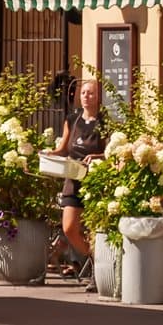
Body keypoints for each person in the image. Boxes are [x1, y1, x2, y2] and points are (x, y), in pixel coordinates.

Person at [56, 77, 108, 266]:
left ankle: (100, 269)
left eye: (91, 93)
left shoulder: (105, 122)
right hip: (73, 179)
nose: (86, 96)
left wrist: (97, 157)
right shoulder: (72, 120)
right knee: (69, 227)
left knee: (96, 227)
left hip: (95, 181)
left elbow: (110, 153)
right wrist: (47, 154)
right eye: (84, 93)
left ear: (98, 97)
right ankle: (95, 259)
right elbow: (62, 148)